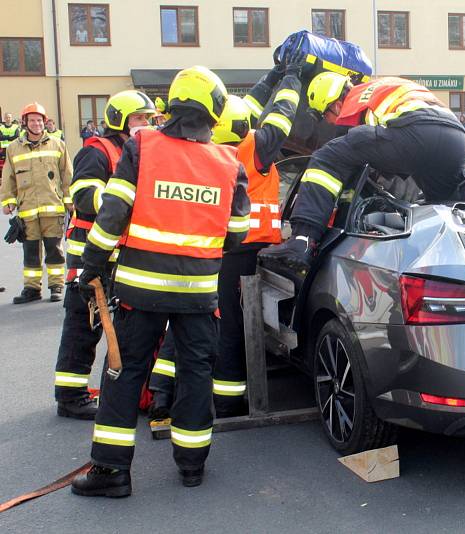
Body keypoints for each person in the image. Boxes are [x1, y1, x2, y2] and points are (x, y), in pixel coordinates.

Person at [70, 66, 250, 497]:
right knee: (194, 374)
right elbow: (237, 231)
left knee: (124, 372)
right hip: (199, 296)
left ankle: (112, 473)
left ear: (172, 104)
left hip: (140, 292)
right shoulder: (229, 163)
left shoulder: (142, 147)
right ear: (214, 111)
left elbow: (113, 212)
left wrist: (91, 265)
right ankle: (192, 465)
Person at [149, 44, 305, 419]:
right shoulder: (253, 149)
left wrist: (271, 77)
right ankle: (229, 401)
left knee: (187, 320)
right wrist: (292, 78)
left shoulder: (206, 152)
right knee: (234, 326)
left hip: (207, 250)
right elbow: (281, 116)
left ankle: (159, 393)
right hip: (245, 252)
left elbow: (246, 107)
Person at [258, 73, 465, 277]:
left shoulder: (354, 101)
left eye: (325, 115)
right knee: (445, 201)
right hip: (457, 139)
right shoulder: (379, 88)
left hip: (416, 132)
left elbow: (348, 157)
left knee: (326, 157)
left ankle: (302, 239)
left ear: (336, 104)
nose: (329, 122)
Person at [54, 90, 157, 420]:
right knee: (84, 326)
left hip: (117, 254)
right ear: (121, 120)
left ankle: (127, 390)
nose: (146, 124)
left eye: (149, 118)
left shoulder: (137, 152)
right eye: (140, 118)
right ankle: (70, 395)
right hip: (87, 254)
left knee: (119, 328)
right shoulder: (97, 152)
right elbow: (83, 195)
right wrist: (116, 201)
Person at [1, 103, 72, 304]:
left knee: (54, 250)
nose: (37, 123)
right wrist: (8, 201)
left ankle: (56, 286)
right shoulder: (14, 148)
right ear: (25, 123)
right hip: (28, 209)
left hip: (53, 208)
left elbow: (67, 175)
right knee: (30, 252)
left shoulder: (58, 144)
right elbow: (8, 177)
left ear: (44, 122)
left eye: (40, 120)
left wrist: (70, 202)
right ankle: (32, 289)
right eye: (32, 120)